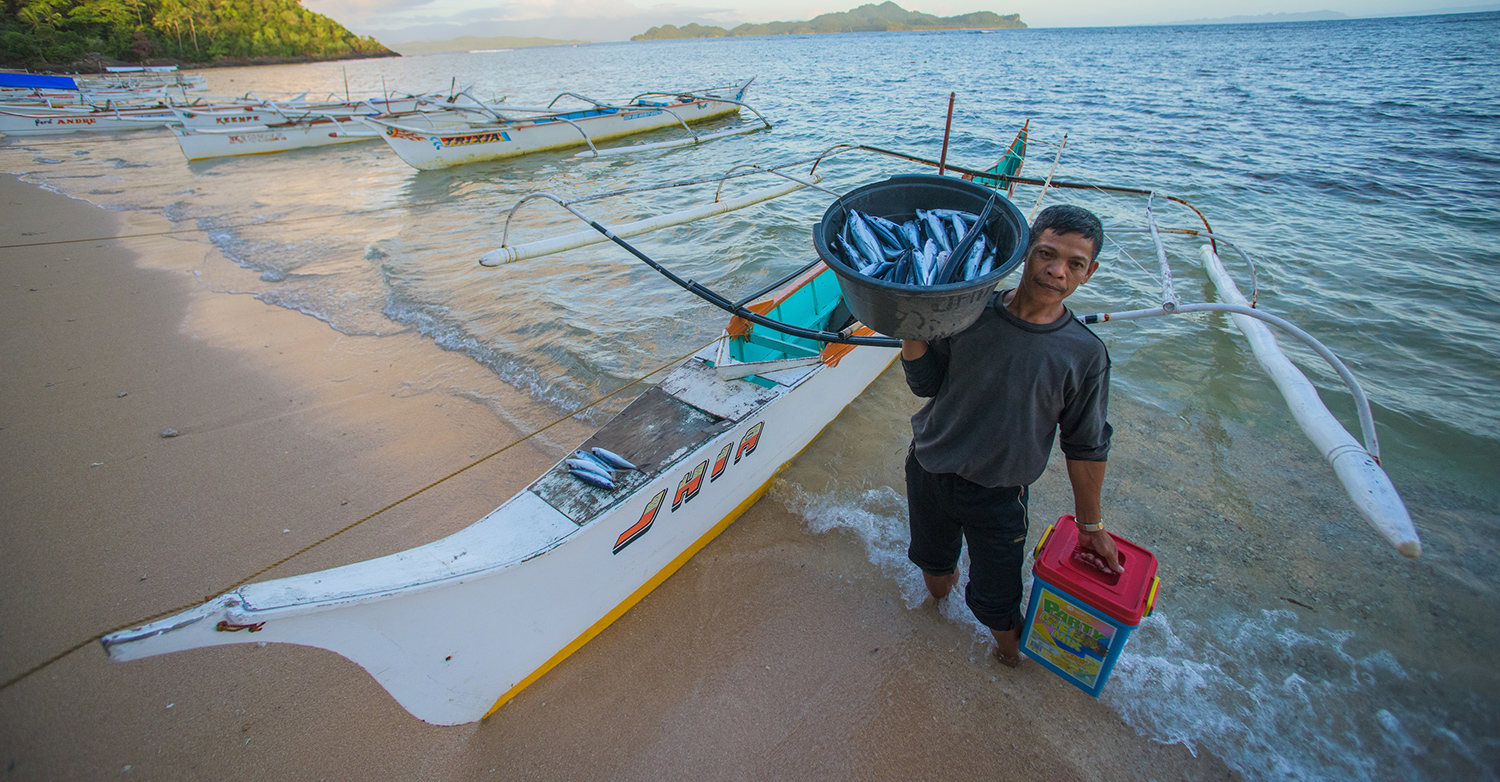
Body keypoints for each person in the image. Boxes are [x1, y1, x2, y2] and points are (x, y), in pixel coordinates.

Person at [900, 203, 1119, 668]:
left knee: (996, 606)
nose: (1057, 270)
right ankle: (932, 627)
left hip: (1000, 494)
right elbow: (926, 384)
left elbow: (1085, 446)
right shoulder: (968, 310)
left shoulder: (1084, 354)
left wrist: (1091, 527)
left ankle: (1011, 665)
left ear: (1089, 272)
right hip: (929, 467)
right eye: (1047, 254)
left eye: (1074, 263)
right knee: (934, 568)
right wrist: (910, 325)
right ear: (1023, 252)